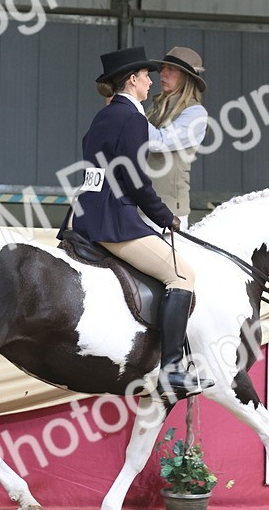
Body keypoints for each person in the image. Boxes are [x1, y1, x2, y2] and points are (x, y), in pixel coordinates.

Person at [60, 46, 212, 396]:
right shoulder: (131, 118)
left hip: (83, 215)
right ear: (132, 79)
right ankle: (172, 369)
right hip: (115, 221)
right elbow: (135, 181)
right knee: (182, 275)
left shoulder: (105, 116)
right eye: (146, 75)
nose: (151, 80)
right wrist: (164, 216)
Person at [146, 46, 209, 228]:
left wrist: (131, 107)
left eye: (171, 69)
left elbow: (158, 142)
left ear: (186, 77)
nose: (162, 73)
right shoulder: (155, 108)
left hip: (168, 211)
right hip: (142, 207)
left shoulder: (196, 113)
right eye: (162, 68)